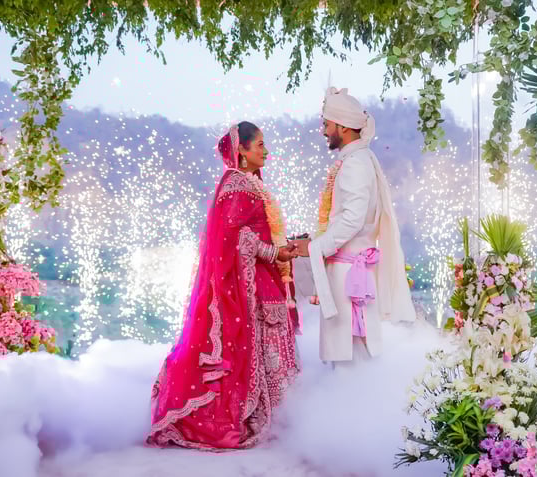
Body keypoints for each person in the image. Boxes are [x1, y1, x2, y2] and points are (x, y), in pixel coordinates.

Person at [148, 121, 299, 450]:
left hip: (264, 278)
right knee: (261, 350)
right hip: (251, 283)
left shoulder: (250, 183)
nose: (266, 151)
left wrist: (280, 249)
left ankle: (281, 423)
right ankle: (254, 422)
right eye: (260, 144)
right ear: (242, 150)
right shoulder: (237, 185)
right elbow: (234, 238)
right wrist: (274, 252)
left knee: (273, 349)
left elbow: (253, 231)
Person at [292, 87, 415, 367]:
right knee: (350, 350)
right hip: (351, 271)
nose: (324, 131)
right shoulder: (357, 159)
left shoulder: (355, 163)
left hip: (350, 276)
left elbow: (352, 219)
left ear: (343, 127)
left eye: (327, 124)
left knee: (351, 352)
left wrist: (315, 247)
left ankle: (354, 394)